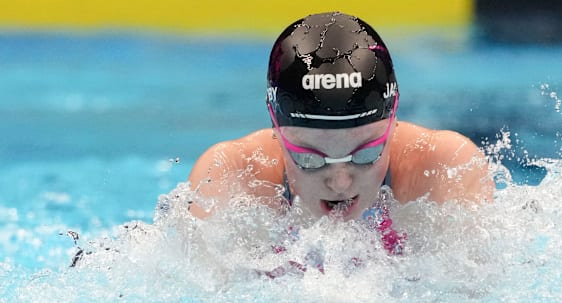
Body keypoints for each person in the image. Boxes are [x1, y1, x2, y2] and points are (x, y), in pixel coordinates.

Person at [188, 11, 494, 225]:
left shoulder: (441, 170)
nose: (340, 183)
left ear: (393, 120)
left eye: (366, 154)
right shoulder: (232, 179)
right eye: (309, 159)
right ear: (275, 127)